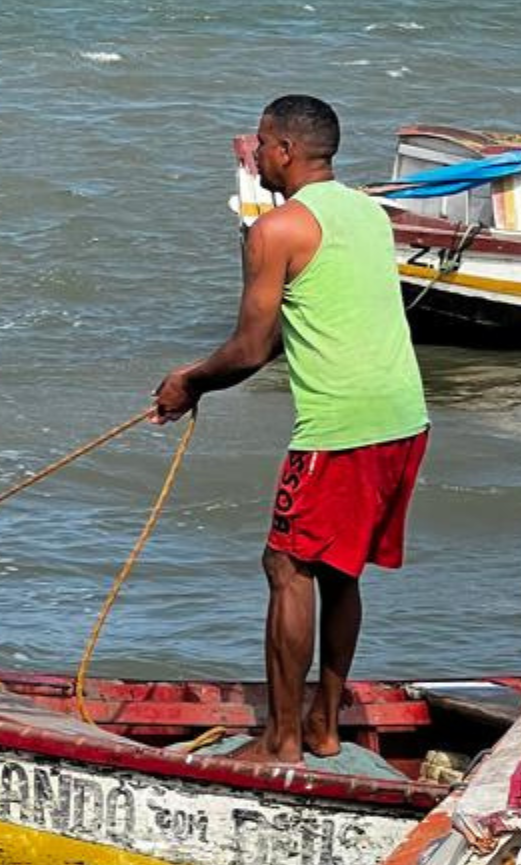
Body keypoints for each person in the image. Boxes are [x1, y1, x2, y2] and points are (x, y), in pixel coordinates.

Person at [154, 94, 428, 765]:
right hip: (405, 416)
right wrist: (203, 377)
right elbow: (302, 326)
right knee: (339, 570)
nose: (255, 156)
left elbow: (251, 348)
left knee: (286, 564)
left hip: (342, 425)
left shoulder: (276, 230)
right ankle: (324, 725)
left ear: (283, 149)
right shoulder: (368, 212)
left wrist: (189, 381)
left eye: (260, 144)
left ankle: (280, 743)